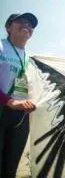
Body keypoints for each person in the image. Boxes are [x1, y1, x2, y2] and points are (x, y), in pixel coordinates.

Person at [0, 13, 37, 177]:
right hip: (3, 109)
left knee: (11, 166)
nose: (27, 26)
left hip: (22, 116)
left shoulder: (31, 59)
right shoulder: (1, 46)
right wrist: (9, 102)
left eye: (30, 25)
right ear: (8, 27)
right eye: (21, 22)